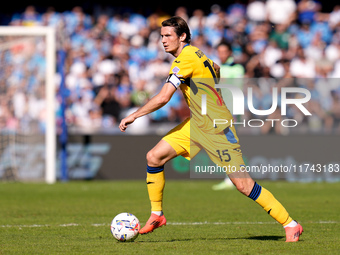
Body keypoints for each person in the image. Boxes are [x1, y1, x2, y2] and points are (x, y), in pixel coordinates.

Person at [119, 16, 303, 242]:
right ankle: (157, 215)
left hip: (217, 129)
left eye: (168, 36)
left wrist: (134, 115)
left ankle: (291, 224)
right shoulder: (197, 53)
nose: (163, 41)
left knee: (244, 185)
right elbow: (215, 67)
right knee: (154, 157)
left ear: (182, 36)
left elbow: (164, 97)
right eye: (162, 36)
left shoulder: (184, 60)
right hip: (198, 124)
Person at [212, 41, 245, 191]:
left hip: (230, 109)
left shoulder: (236, 68)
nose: (221, 54)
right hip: (218, 110)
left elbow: (237, 87)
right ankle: (231, 176)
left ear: (230, 52)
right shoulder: (216, 67)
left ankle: (231, 178)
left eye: (224, 51)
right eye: (219, 51)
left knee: (229, 142)